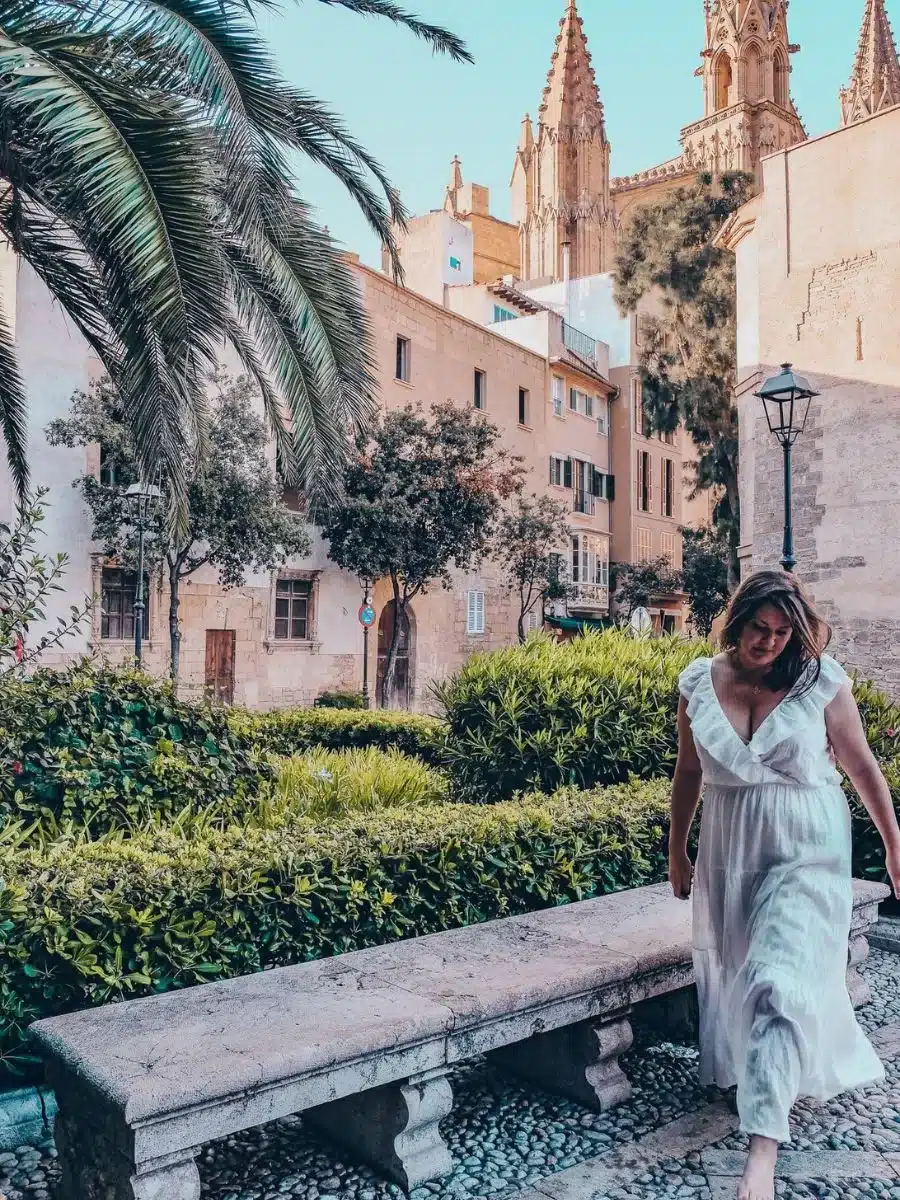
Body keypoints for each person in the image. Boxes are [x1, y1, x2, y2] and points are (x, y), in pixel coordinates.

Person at [669, 571, 900, 1200]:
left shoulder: (819, 681)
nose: (770, 642)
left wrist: (894, 844)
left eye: (782, 632)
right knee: (749, 976)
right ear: (736, 621)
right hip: (731, 847)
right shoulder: (699, 682)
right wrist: (678, 850)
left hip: (808, 847)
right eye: (759, 629)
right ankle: (772, 1076)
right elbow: (689, 772)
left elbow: (861, 766)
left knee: (778, 980)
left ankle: (761, 1157)